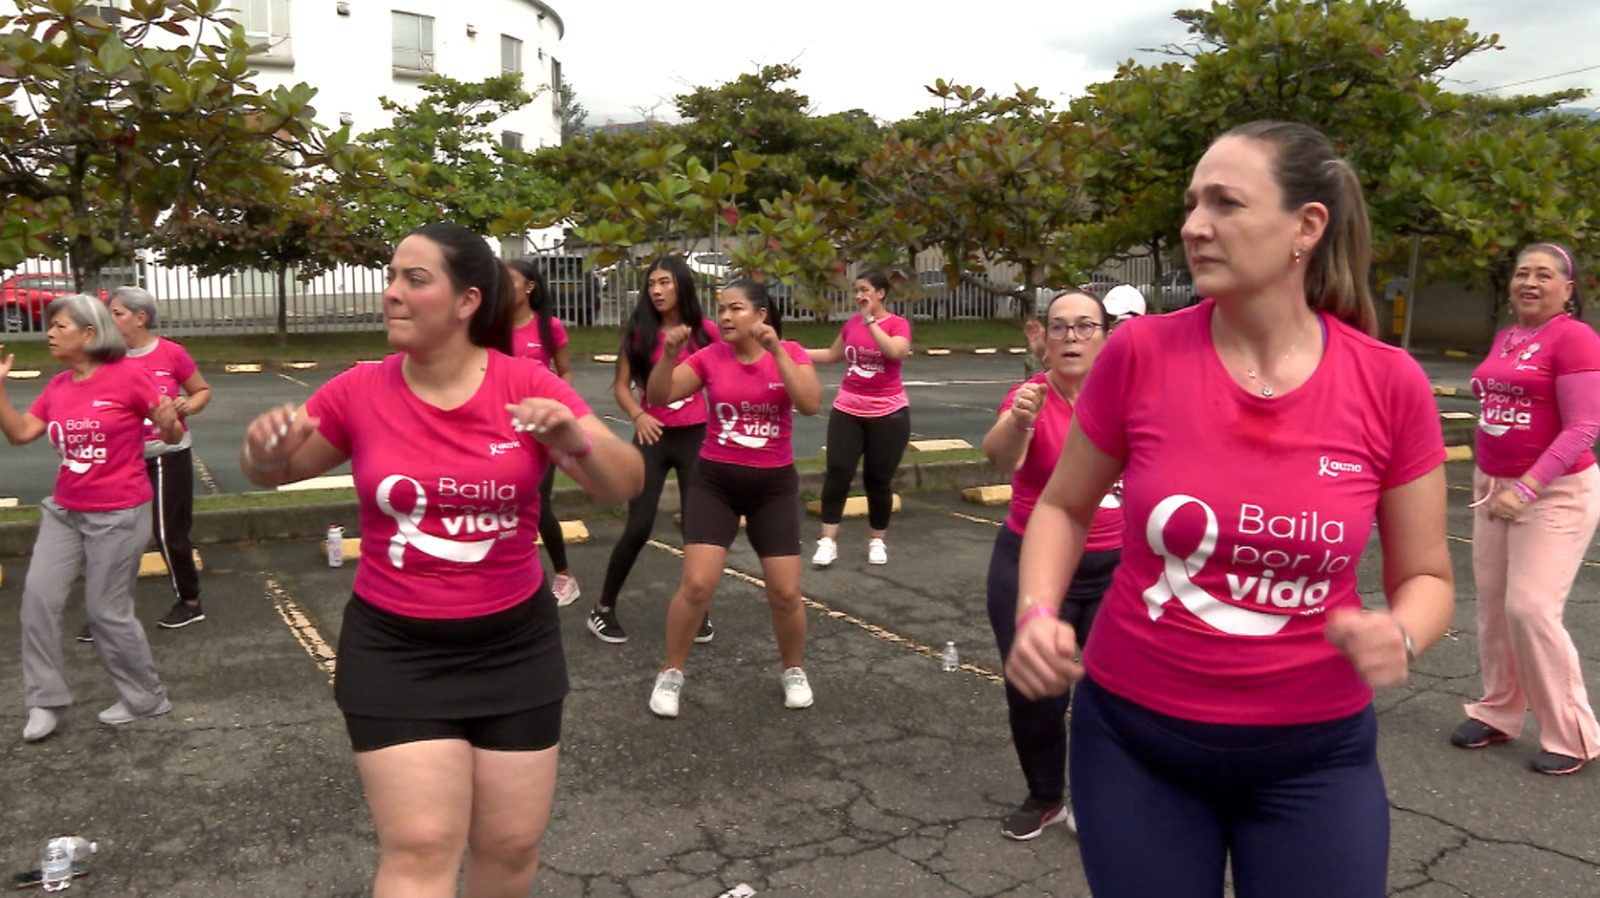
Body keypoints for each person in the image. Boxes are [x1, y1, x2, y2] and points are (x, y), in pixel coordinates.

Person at [1005, 121, 1454, 897]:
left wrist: (1403, 633)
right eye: (1190, 204)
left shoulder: (1389, 383)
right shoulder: (1138, 356)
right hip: (1136, 743)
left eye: (1225, 203)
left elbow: (1427, 575)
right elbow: (1063, 507)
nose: (1192, 226)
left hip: (1315, 754)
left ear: (1305, 228)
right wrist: (1038, 610)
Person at [237, 222, 642, 897]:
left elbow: (623, 483)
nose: (391, 293)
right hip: (397, 649)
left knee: (510, 847)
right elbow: (274, 471)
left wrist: (575, 439)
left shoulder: (525, 384)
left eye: (414, 279)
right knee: (422, 844)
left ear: (466, 302)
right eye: (391, 278)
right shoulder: (359, 390)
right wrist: (264, 449)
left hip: (515, 644)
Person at [0, 294, 182, 743]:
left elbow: (170, 431)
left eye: (59, 325)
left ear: (89, 332)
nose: (49, 333)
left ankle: (146, 698)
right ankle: (45, 701)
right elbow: (22, 432)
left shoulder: (128, 377)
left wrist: (167, 421)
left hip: (118, 513)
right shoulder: (60, 385)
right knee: (38, 601)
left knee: (107, 613)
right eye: (50, 326)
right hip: (65, 511)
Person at [644, 278, 822, 718]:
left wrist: (778, 352)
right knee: (697, 584)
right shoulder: (710, 357)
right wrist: (668, 356)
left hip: (773, 486)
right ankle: (671, 672)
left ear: (761, 315)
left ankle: (793, 669)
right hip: (715, 483)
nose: (725, 317)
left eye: (736, 309)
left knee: (786, 592)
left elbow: (811, 404)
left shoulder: (792, 354)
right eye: (721, 309)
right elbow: (658, 396)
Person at [1455, 241, 1600, 775]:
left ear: (1568, 289)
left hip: (1554, 491)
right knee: (1494, 607)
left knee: (1530, 608)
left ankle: (1574, 735)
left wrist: (1530, 486)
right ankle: (1498, 710)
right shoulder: (1509, 336)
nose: (1530, 282)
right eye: (1522, 273)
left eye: (1544, 274)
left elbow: (1585, 425)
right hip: (1495, 485)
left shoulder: (1576, 338)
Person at [981, 290, 1122, 841]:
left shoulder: (1125, 398)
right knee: (1037, 689)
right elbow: (1000, 458)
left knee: (1110, 690)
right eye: (1060, 328)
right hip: (1033, 565)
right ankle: (1045, 795)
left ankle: (1098, 794)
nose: (1071, 338)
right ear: (1045, 339)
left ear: (1105, 336)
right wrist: (1019, 422)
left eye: (1085, 326)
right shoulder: (1029, 396)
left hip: (1116, 567)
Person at [588, 255, 719, 645]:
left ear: (681, 285)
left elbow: (724, 373)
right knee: (640, 525)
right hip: (652, 439)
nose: (657, 291)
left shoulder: (705, 331)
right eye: (651, 284)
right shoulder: (639, 331)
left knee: (698, 528)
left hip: (695, 437)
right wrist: (637, 416)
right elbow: (621, 387)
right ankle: (603, 608)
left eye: (664, 283)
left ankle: (698, 609)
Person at [106, 285, 212, 630]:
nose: (110, 318)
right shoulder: (107, 356)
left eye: (117, 313)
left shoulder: (171, 353)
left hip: (168, 454)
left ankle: (190, 600)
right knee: (111, 534)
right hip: (123, 458)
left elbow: (201, 391)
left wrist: (188, 405)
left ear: (141, 318)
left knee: (168, 532)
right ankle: (105, 610)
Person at [806, 268, 912, 567]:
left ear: (881, 294)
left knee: (877, 480)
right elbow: (831, 355)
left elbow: (894, 352)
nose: (859, 296)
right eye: (856, 290)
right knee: (838, 472)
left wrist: (870, 321)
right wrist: (790, 351)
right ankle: (827, 541)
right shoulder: (852, 324)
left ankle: (877, 541)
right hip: (848, 410)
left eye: (865, 290)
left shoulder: (897, 325)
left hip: (888, 413)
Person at [504, 256, 581, 608]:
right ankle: (509, 576)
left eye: (510, 280)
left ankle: (564, 575)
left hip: (541, 428)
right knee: (504, 499)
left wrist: (558, 406)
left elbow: (564, 372)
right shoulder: (494, 326)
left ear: (529, 286)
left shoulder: (549, 327)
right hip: (502, 423)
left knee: (539, 503)